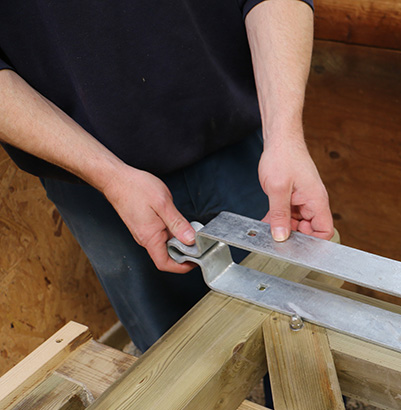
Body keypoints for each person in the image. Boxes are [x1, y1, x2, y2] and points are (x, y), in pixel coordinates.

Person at [0, 0, 334, 352]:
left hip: (245, 146)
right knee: (172, 363)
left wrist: (285, 137)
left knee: (302, 334)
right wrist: (110, 177)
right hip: (96, 184)